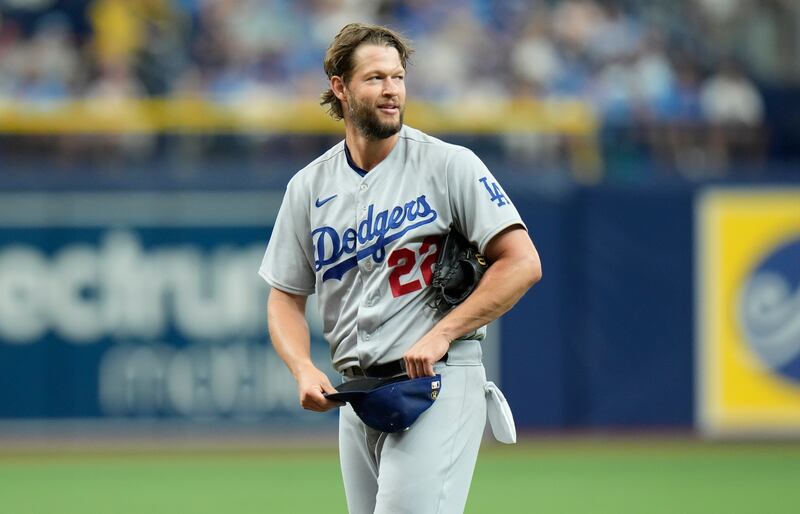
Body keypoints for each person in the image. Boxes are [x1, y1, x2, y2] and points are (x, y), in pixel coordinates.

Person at [259, 22, 541, 514]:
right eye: (375, 78)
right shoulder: (308, 187)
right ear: (339, 87)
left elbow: (522, 262)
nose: (391, 90)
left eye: (398, 77)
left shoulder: (449, 164)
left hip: (438, 380)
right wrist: (302, 367)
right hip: (358, 394)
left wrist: (444, 331)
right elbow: (285, 294)